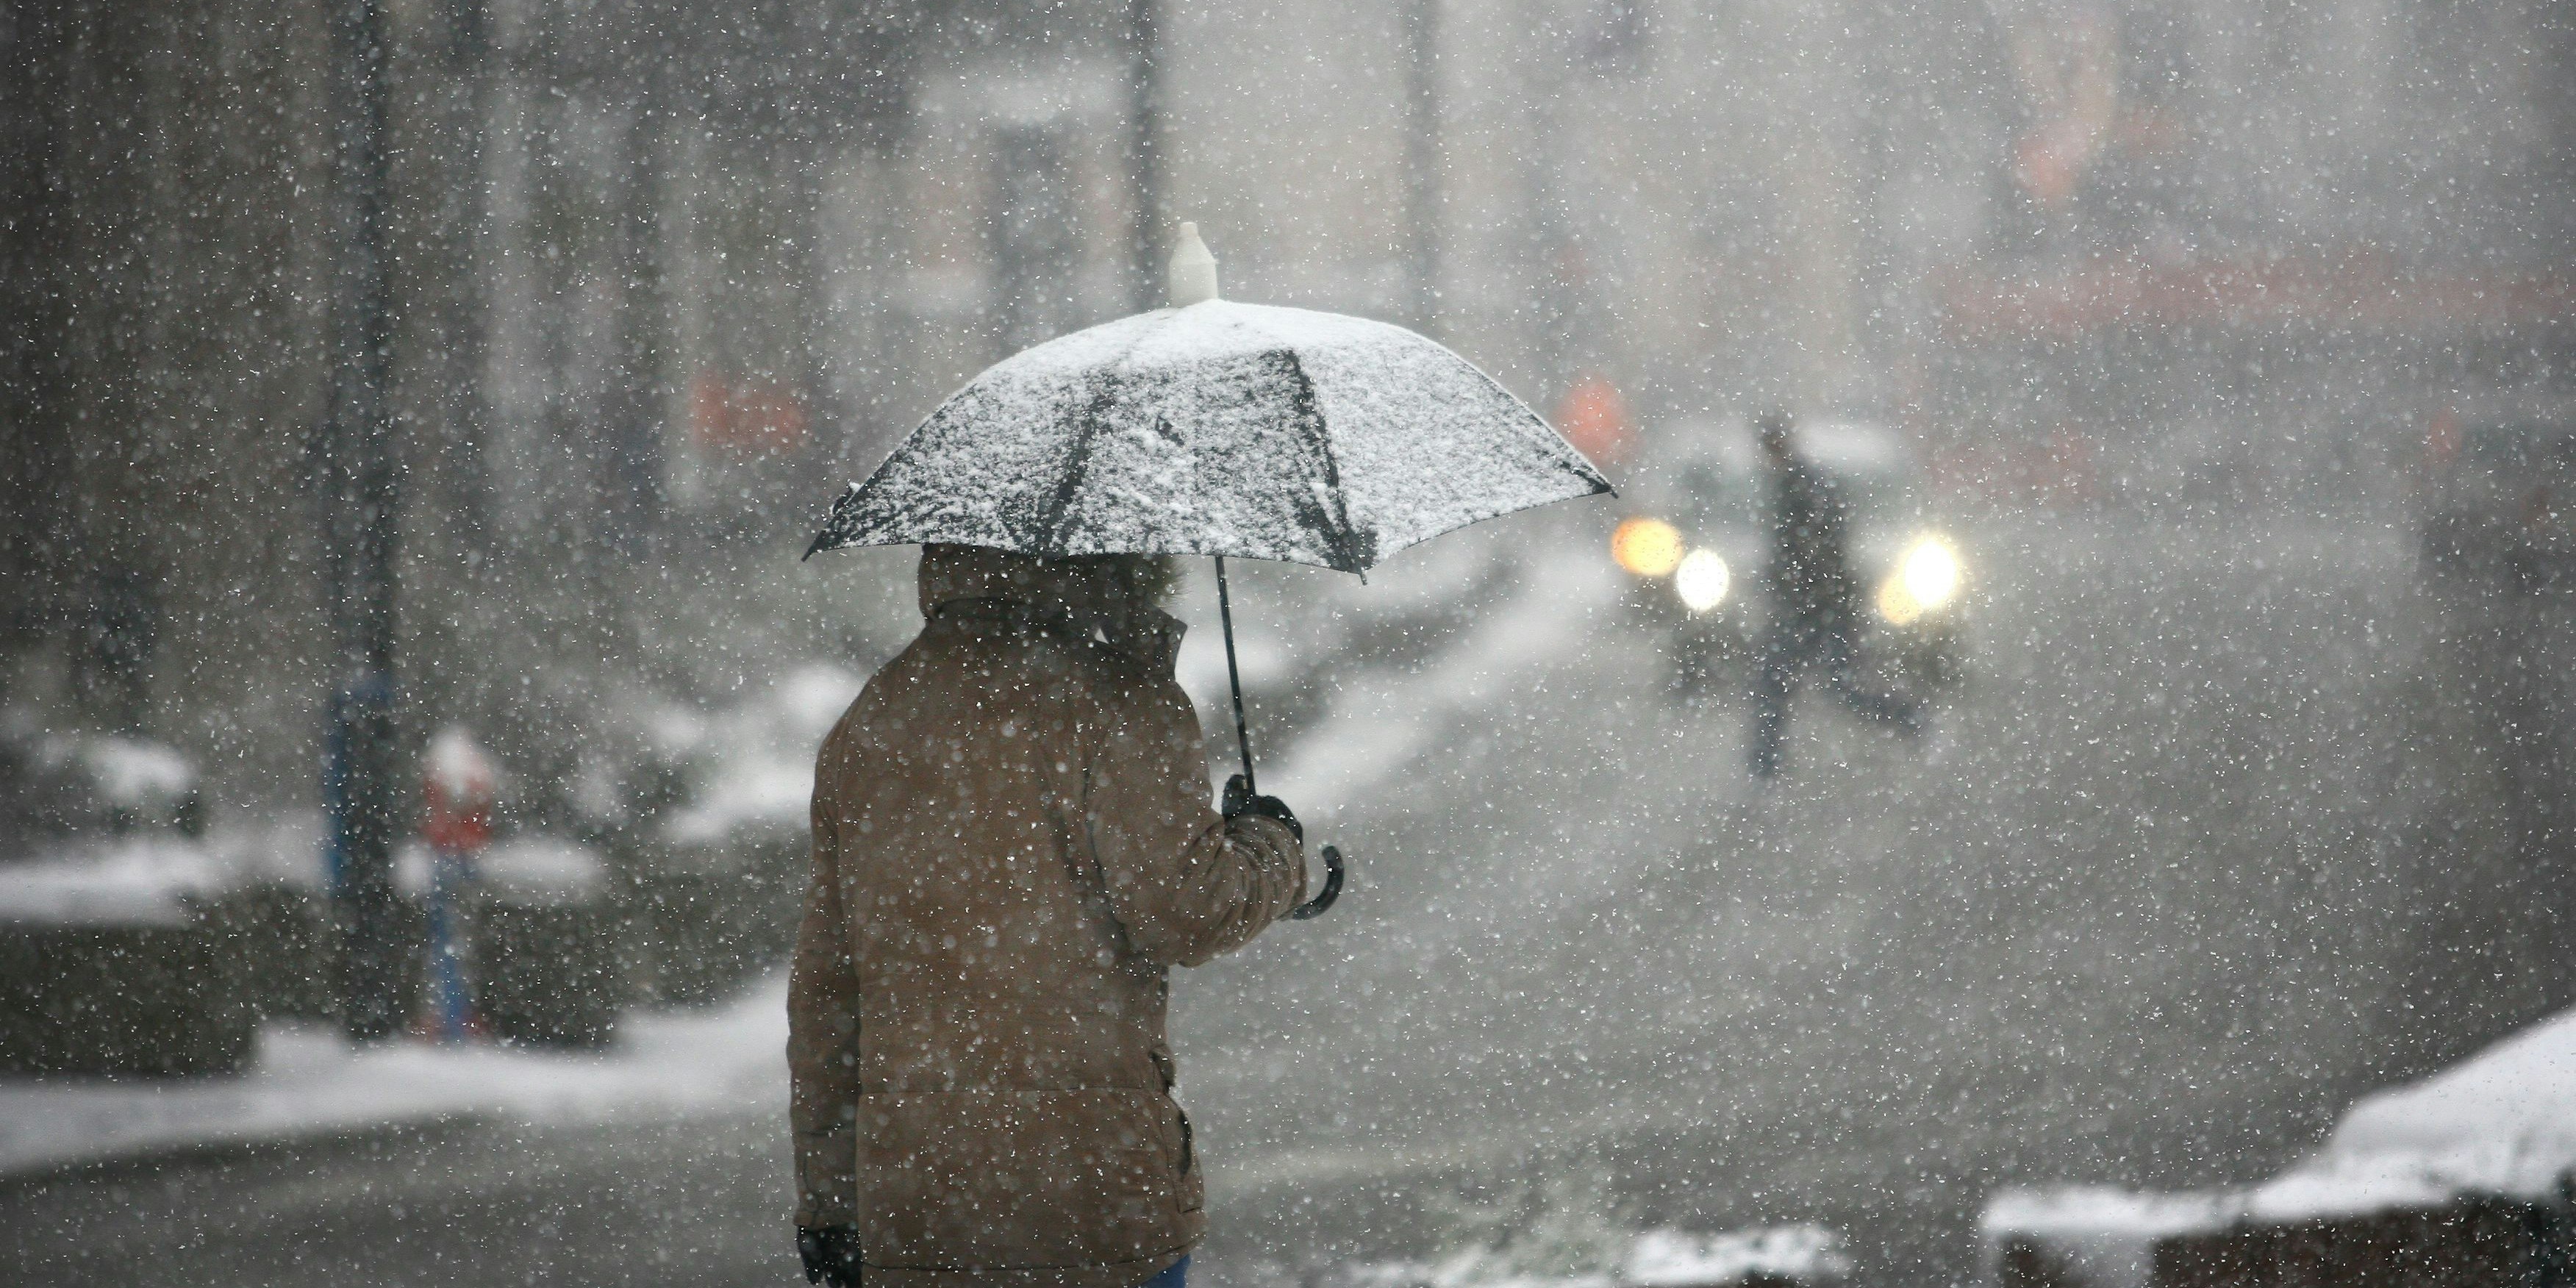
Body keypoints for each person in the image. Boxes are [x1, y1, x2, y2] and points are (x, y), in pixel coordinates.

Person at [790, 543, 1309, 1288]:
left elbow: (828, 1001)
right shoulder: (1122, 702)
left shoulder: (874, 717)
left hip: (918, 1207)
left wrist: (831, 1207)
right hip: (1091, 1198)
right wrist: (1273, 850)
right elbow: (1187, 910)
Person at [1747, 411, 1921, 778]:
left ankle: (1910, 719)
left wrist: (1800, 586)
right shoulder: (1795, 484)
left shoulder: (1803, 487)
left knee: (1813, 685)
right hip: (1816, 607)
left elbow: (1820, 550)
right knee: (1800, 684)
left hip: (1819, 607)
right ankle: (1764, 765)